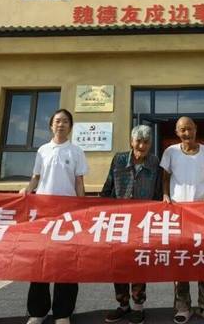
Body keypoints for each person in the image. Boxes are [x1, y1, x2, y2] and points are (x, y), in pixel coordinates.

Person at [20, 108, 88, 324]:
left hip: (68, 215)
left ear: (70, 126)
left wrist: (83, 209)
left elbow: (79, 182)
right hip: (43, 214)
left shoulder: (76, 151)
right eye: (57, 121)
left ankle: (63, 313)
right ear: (51, 125)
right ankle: (38, 312)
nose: (61, 124)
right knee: (40, 261)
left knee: (66, 263)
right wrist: (26, 190)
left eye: (65, 121)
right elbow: (36, 177)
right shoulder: (43, 150)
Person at [160, 116, 204, 324]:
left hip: (202, 214)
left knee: (203, 258)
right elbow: (165, 177)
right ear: (177, 132)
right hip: (178, 213)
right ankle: (183, 307)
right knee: (181, 260)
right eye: (182, 130)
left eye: (189, 129)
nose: (186, 133)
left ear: (196, 129)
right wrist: (165, 195)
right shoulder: (170, 151)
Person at [101, 125, 163, 324]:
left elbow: (158, 191)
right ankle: (123, 305)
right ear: (131, 141)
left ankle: (138, 306)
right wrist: (100, 212)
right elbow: (108, 186)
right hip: (119, 220)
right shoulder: (119, 159)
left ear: (150, 144)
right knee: (119, 263)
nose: (142, 146)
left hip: (142, 222)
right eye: (138, 141)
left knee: (138, 262)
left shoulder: (154, 162)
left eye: (146, 142)